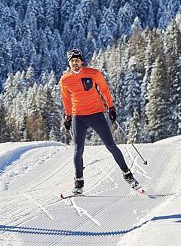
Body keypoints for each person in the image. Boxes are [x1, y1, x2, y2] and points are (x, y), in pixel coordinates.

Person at [59, 48, 139, 195]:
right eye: (72, 61)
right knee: (78, 150)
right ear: (69, 63)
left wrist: (111, 108)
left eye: (77, 61)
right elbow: (66, 100)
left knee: (110, 145)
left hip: (96, 114)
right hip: (79, 117)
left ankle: (128, 175)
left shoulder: (94, 73)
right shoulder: (65, 80)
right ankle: (79, 183)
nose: (75, 64)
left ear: (82, 61)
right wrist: (68, 116)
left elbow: (105, 90)